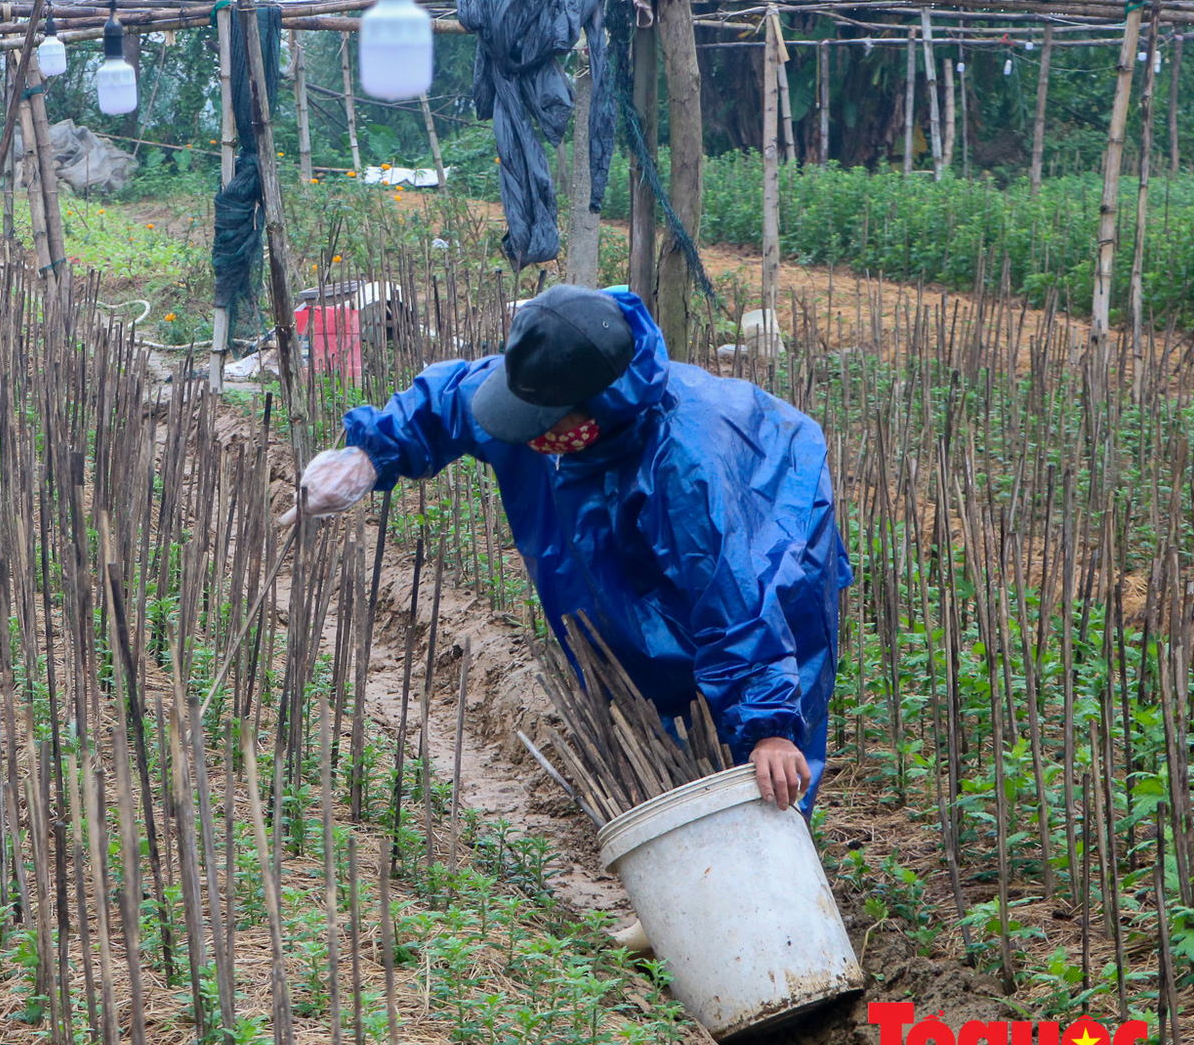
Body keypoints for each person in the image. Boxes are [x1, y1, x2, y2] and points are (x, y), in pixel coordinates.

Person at [294, 284, 851, 817]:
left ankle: (768, 891)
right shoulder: (542, 386)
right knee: (644, 712)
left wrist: (769, 725)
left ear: (595, 411)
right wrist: (369, 456)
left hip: (766, 542)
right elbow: (451, 400)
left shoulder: (686, 466)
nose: (526, 435)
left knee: (759, 771)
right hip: (641, 567)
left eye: (542, 425)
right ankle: (681, 890)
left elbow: (738, 600)